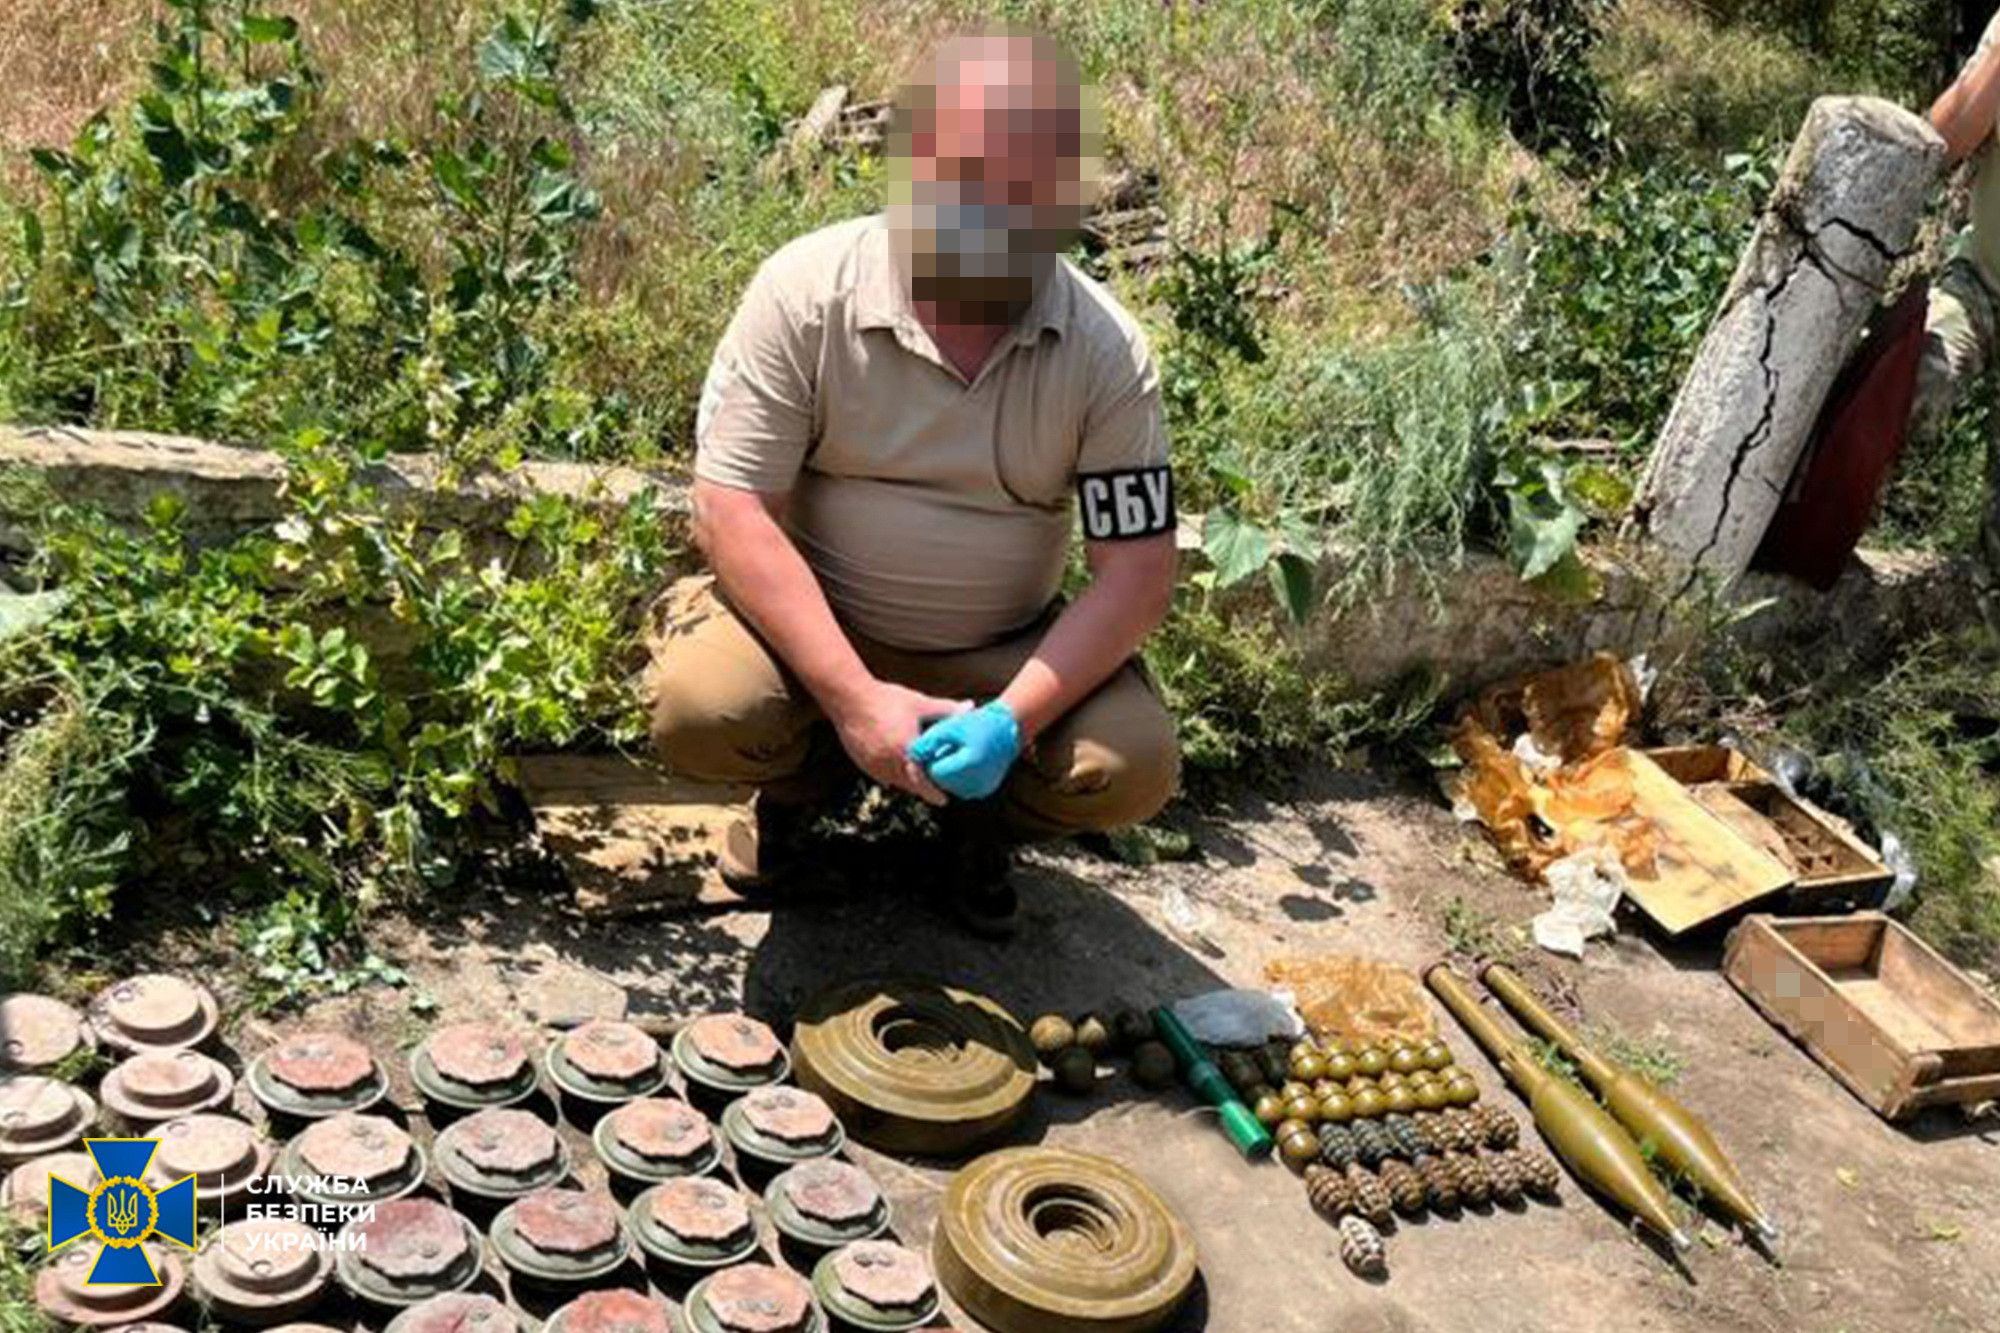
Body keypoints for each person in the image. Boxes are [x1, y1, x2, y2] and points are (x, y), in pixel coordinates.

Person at [643, 25, 1181, 935]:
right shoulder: (806, 292)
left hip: (998, 656)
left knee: (1130, 763)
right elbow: (732, 509)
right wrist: (855, 701)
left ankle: (975, 825)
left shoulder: (1107, 353)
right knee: (702, 707)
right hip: (813, 639)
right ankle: (799, 796)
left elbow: (1137, 572)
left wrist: (1011, 721)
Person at [1915, 7, 2000, 626]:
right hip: (1983, 282)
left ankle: (1983, 649)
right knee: (1909, 382)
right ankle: (1801, 547)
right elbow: (1944, 141)